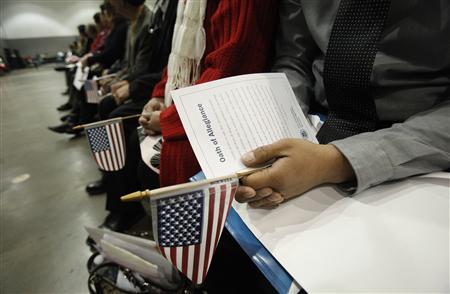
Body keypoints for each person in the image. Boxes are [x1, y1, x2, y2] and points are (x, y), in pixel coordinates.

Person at [233, 0, 450, 208]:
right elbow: (294, 57)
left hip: (414, 142)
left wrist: (332, 163)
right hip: (316, 120)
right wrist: (279, 129)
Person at [139, 0, 278, 188]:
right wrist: (160, 93)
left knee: (177, 153)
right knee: (136, 137)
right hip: (195, 95)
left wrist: (169, 119)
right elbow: (181, 55)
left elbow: (230, 67)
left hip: (234, 100)